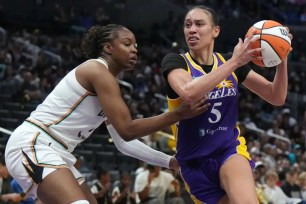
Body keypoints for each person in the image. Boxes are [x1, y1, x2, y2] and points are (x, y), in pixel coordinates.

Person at [4, 24, 209, 204]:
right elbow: (127, 130)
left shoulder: (108, 82)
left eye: (136, 45)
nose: (134, 50)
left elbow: (123, 142)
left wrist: (169, 162)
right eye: (127, 44)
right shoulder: (97, 71)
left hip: (56, 152)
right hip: (33, 144)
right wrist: (177, 114)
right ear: (108, 48)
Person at [161, 5, 293, 204]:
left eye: (199, 24)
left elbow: (276, 96)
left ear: (216, 31)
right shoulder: (176, 62)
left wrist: (282, 58)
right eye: (188, 25)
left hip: (228, 150)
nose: (192, 29)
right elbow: (189, 92)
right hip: (193, 163)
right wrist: (235, 61)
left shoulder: (230, 64)